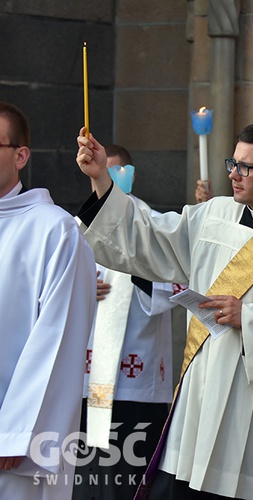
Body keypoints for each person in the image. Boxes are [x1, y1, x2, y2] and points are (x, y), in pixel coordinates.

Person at [76, 121, 253, 499]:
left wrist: (250, 318)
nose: (233, 175)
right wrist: (101, 181)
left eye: (246, 167)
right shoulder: (213, 215)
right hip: (202, 401)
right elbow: (150, 239)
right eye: (232, 163)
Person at [0, 102, 97, 498]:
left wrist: (17, 433)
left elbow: (57, 341)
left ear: (20, 155)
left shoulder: (54, 231)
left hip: (12, 447)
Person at [73, 144, 179, 499]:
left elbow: (173, 286)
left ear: (129, 176)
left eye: (115, 172)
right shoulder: (76, 228)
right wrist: (80, 288)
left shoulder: (149, 224)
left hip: (136, 379)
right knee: (88, 478)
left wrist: (133, 267)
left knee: (126, 478)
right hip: (85, 380)